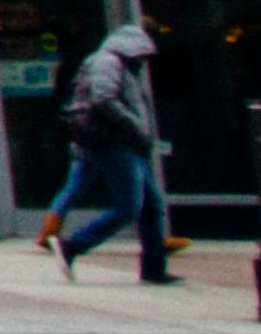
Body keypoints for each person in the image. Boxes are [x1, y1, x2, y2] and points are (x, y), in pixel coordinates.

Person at [51, 19, 175, 285]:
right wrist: (133, 128)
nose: (144, 62)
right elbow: (104, 99)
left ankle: (154, 267)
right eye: (143, 55)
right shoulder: (109, 62)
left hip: (123, 143)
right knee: (128, 208)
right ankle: (73, 245)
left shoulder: (120, 65)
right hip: (114, 142)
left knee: (151, 206)